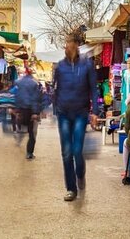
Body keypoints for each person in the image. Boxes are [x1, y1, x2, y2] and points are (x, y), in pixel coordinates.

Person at [53, 35, 99, 201]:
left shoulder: (87, 65)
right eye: (67, 45)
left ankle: (80, 173)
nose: (69, 48)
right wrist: (55, 109)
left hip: (81, 113)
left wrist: (95, 112)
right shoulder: (59, 67)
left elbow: (94, 89)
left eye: (72, 45)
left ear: (77, 47)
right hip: (64, 113)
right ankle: (71, 188)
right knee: (66, 152)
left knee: (77, 151)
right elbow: (55, 89)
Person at [14, 68, 43, 160]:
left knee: (22, 127)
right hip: (30, 110)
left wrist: (17, 110)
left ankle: (19, 139)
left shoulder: (18, 82)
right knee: (32, 133)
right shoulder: (34, 83)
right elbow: (35, 99)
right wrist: (35, 113)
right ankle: (29, 153)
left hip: (21, 110)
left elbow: (17, 96)